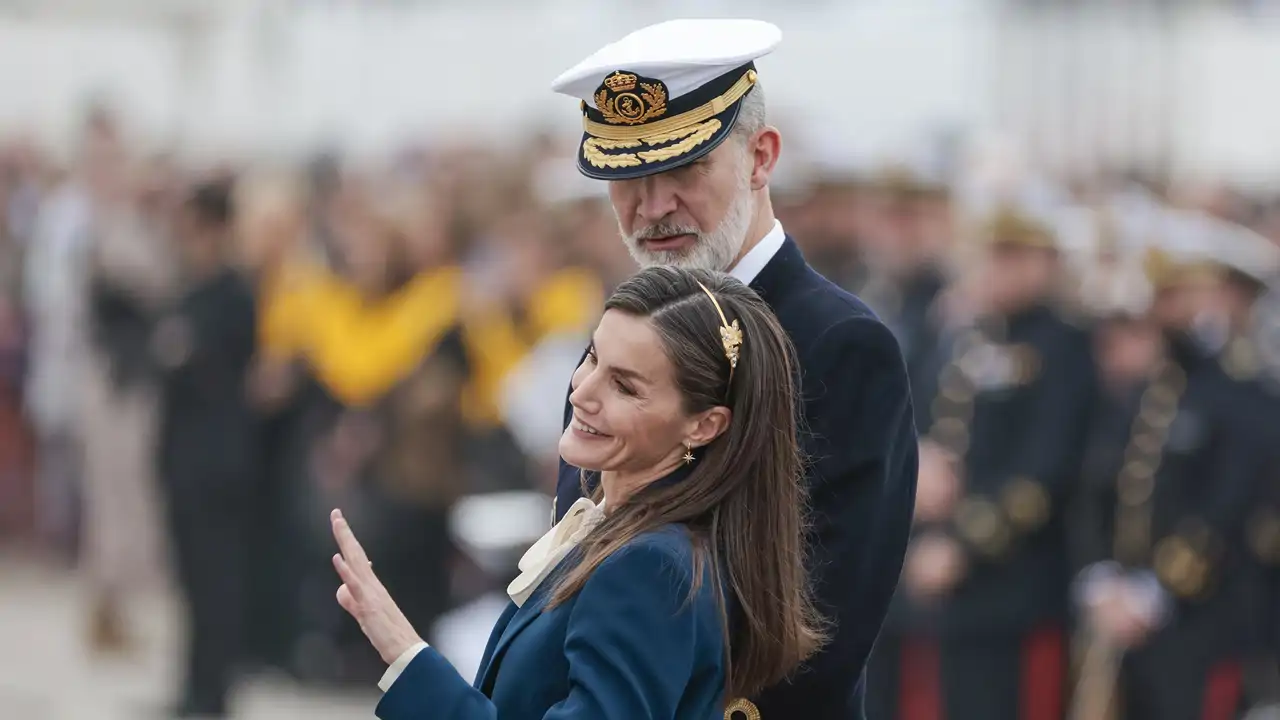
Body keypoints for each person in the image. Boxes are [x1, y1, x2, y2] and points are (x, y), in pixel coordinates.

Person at [546, 19, 918, 718]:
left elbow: (820, 632)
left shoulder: (838, 344)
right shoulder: (620, 331)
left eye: (684, 169)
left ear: (760, 158)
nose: (653, 208)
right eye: (628, 177)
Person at [331, 266, 827, 719]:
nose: (581, 392)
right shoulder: (625, 535)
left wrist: (406, 655)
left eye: (625, 387)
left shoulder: (650, 566)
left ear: (703, 425)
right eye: (592, 358)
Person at [153, 178, 259, 717]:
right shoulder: (190, 292)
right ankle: (192, 687)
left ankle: (213, 693)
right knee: (191, 583)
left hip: (216, 462)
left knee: (216, 582)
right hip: (181, 458)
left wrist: (185, 355)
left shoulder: (234, 295)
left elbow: (209, 366)